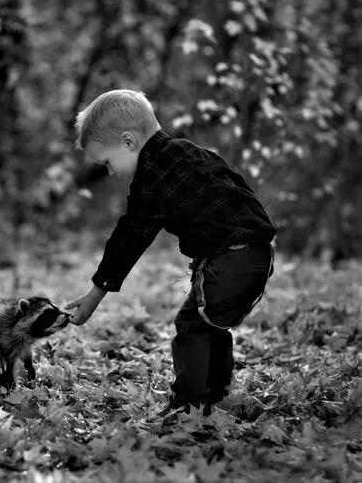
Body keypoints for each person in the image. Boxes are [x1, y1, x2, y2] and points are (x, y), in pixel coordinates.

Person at [65, 89, 276, 416]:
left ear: (128, 142)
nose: (110, 172)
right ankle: (215, 394)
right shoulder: (190, 152)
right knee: (210, 324)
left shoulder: (151, 179)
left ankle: (187, 406)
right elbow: (236, 188)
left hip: (232, 256)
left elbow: (129, 238)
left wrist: (95, 294)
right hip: (255, 252)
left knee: (191, 326)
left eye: (107, 162)